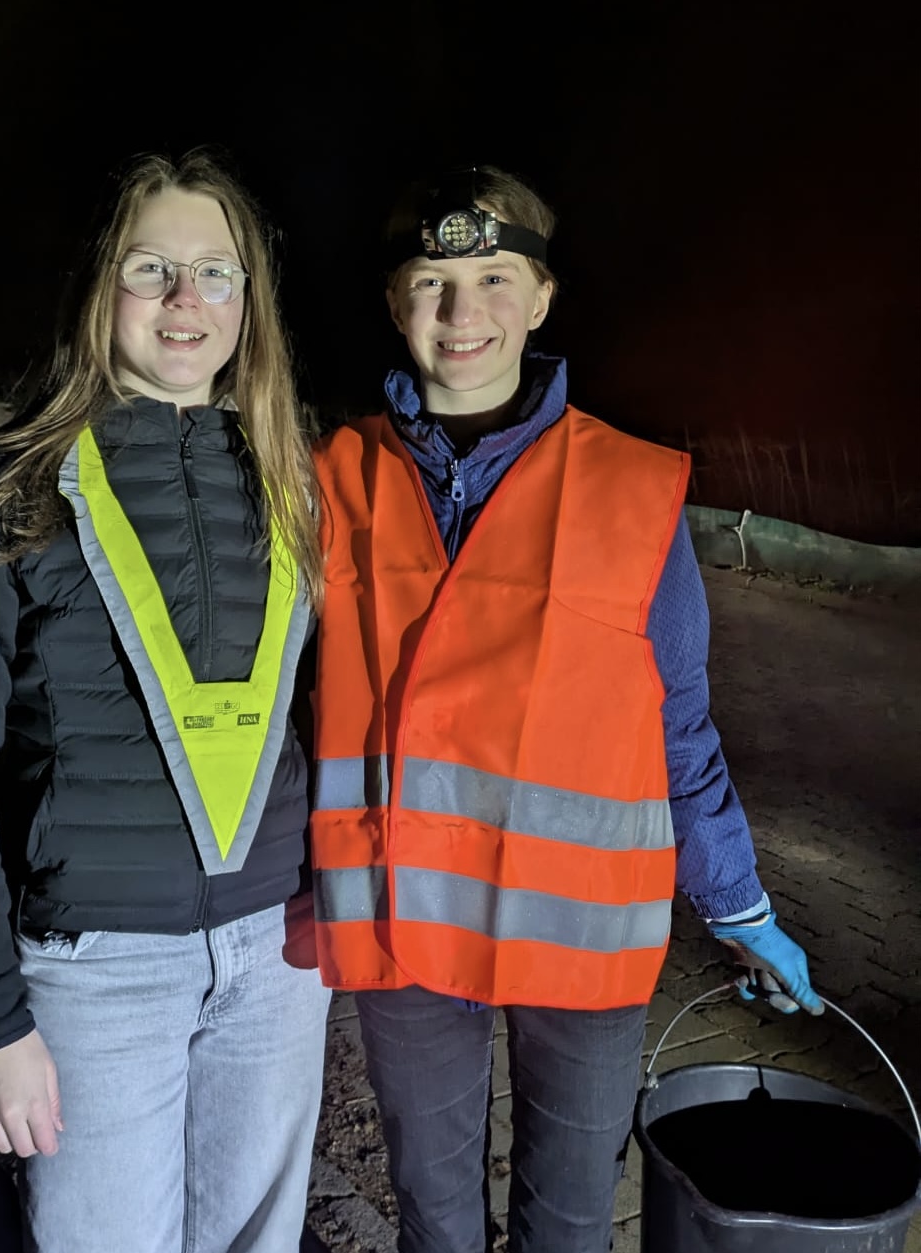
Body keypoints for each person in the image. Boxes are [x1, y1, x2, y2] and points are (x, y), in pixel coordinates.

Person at [308, 165, 823, 1253]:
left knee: (572, 1222)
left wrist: (735, 903)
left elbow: (680, 719)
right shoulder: (329, 478)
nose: (463, 311)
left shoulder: (632, 488)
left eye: (496, 277)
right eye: (431, 280)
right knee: (435, 1221)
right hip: (400, 919)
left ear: (542, 298)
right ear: (394, 301)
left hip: (580, 935)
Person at [0, 150, 331, 1253]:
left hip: (278, 959)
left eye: (216, 272)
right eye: (151, 267)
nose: (186, 298)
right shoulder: (4, 487)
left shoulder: (299, 479)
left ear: (250, 297)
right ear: (102, 284)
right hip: (100, 976)